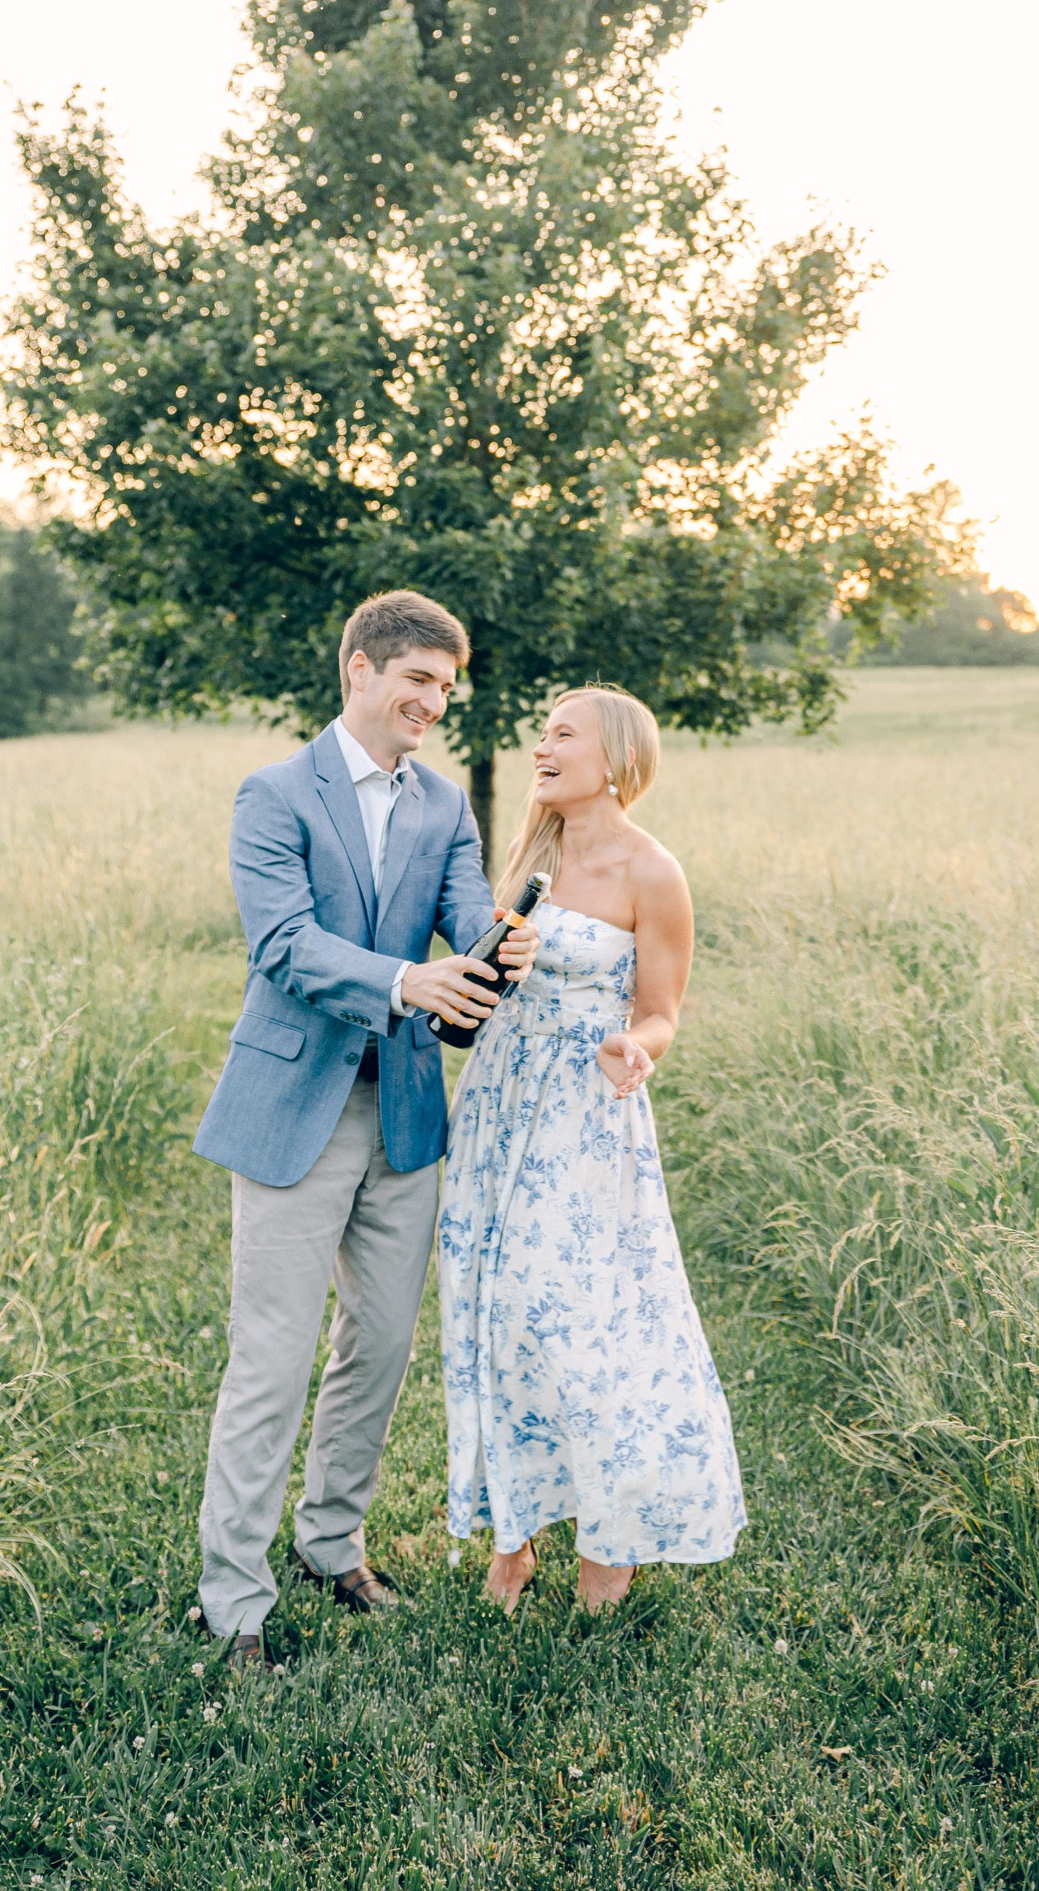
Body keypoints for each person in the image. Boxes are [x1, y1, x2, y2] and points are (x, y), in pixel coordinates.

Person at [192, 591, 537, 1670]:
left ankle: (327, 1539)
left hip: (403, 1112)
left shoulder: (442, 807)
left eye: (445, 685)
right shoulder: (274, 794)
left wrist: (501, 947)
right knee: (271, 1354)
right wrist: (402, 979)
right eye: (417, 679)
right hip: (295, 1103)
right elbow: (284, 944)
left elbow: (468, 914)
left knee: (379, 1344)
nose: (433, 701)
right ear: (358, 669)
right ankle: (231, 1597)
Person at [438, 686, 746, 1613]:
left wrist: (636, 1049)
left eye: (562, 734)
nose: (542, 746)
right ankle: (515, 1529)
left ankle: (610, 1541)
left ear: (613, 758)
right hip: (498, 1105)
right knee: (491, 1305)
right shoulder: (531, 852)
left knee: (574, 1317)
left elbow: (662, 1011)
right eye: (542, 733)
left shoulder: (654, 872)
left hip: (582, 1112)